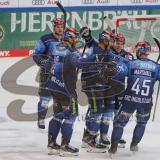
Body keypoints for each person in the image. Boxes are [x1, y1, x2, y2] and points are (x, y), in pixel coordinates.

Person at [108, 41, 160, 155]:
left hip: (129, 101)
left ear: (138, 51)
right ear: (147, 52)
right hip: (145, 103)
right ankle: (134, 145)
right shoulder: (156, 67)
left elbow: (118, 75)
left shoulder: (131, 63)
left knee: (119, 124)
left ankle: (113, 148)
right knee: (141, 124)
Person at [80, 29, 128, 152]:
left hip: (98, 85)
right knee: (97, 112)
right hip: (93, 85)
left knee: (96, 111)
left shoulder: (105, 51)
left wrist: (137, 64)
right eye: (111, 40)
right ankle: (91, 141)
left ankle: (87, 138)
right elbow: (85, 61)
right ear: (105, 40)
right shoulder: (96, 50)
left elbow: (118, 59)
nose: (113, 43)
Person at [45, 27, 85, 156]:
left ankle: (51, 145)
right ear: (69, 37)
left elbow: (48, 64)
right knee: (71, 116)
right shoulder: (72, 52)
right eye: (75, 37)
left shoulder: (56, 47)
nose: (77, 39)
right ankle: (64, 147)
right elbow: (82, 64)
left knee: (58, 116)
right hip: (66, 90)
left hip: (53, 86)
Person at [33, 18, 64, 129]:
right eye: (57, 26)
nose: (60, 29)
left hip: (62, 75)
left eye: (61, 26)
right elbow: (36, 54)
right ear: (53, 27)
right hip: (47, 73)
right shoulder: (45, 39)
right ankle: (41, 118)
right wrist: (44, 63)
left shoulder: (67, 39)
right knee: (45, 99)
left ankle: (58, 119)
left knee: (60, 99)